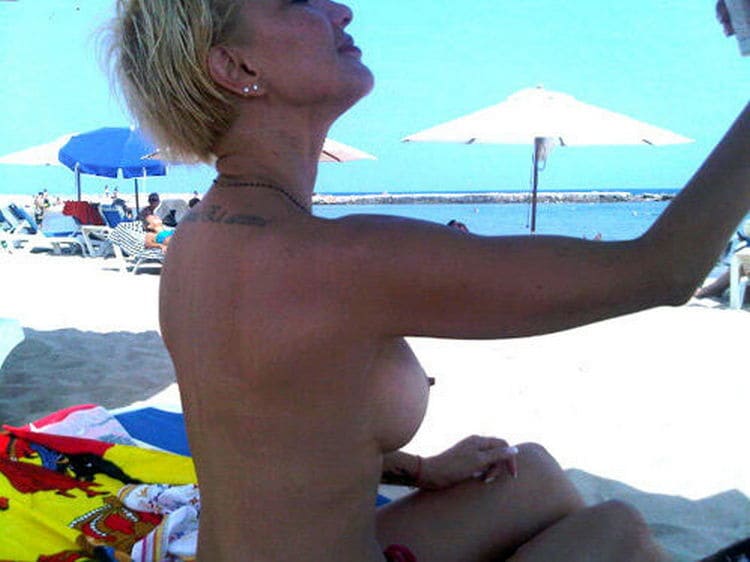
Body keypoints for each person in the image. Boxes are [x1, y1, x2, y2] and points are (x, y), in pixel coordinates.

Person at [107, 2, 750, 560]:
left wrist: (419, 469)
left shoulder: (200, 236)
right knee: (618, 530)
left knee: (532, 475)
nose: (341, 10)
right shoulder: (343, 259)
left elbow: (271, 421)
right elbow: (660, 271)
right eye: (299, 0)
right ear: (237, 66)